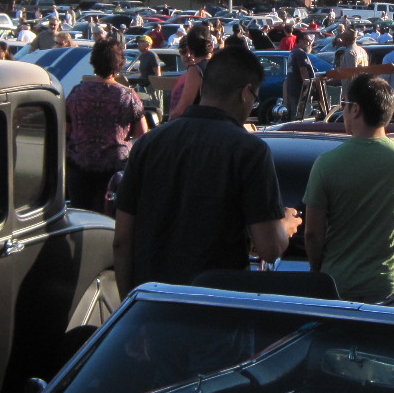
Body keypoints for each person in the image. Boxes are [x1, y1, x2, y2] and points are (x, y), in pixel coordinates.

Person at [113, 46, 295, 293]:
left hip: (152, 304)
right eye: (256, 98)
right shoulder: (250, 150)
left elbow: (122, 241)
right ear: (245, 93)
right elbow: (269, 248)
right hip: (215, 307)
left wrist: (129, 304)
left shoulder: (148, 143)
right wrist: (285, 225)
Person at [303, 74, 394, 302]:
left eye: (344, 106)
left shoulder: (326, 163)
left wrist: (317, 270)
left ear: (355, 110)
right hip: (392, 285)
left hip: (339, 284)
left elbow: (312, 234)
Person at [66, 38, 149, 213]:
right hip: (114, 170)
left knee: (81, 217)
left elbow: (66, 129)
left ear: (94, 62)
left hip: (79, 167)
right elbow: (143, 134)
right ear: (119, 64)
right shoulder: (128, 96)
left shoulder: (77, 92)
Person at [283, 32, 316, 118]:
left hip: (293, 89)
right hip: (299, 90)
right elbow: (303, 70)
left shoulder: (293, 52)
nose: (310, 44)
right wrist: (308, 88)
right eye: (308, 41)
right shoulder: (300, 53)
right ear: (301, 41)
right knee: (299, 115)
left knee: (295, 112)